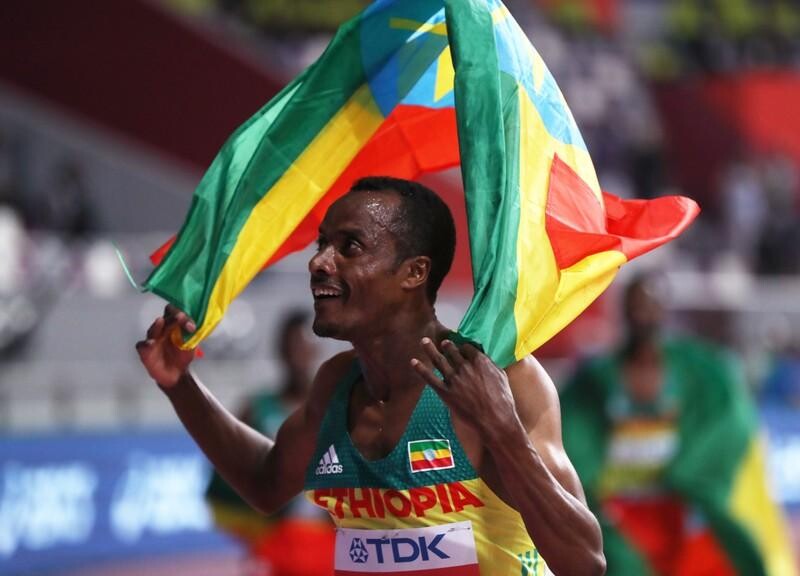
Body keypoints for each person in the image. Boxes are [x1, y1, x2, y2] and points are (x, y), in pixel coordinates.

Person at [137, 176, 606, 575]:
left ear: (414, 273)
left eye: (350, 247)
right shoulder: (336, 384)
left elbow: (585, 561)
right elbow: (267, 483)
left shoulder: (496, 377)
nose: (319, 262)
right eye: (322, 244)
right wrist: (179, 384)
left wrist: (502, 430)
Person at [560, 273, 796, 576]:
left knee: (729, 557)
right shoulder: (594, 380)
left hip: (679, 507)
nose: (643, 316)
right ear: (624, 312)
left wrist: (687, 473)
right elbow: (575, 446)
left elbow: (728, 422)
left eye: (650, 306)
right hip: (619, 513)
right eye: (635, 307)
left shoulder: (699, 372)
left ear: (664, 310)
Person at [205, 309, 335, 575]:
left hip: (328, 546)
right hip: (276, 547)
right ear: (281, 351)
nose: (299, 355)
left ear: (316, 350)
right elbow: (226, 475)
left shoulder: (337, 407)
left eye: (304, 346)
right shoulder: (256, 409)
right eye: (292, 346)